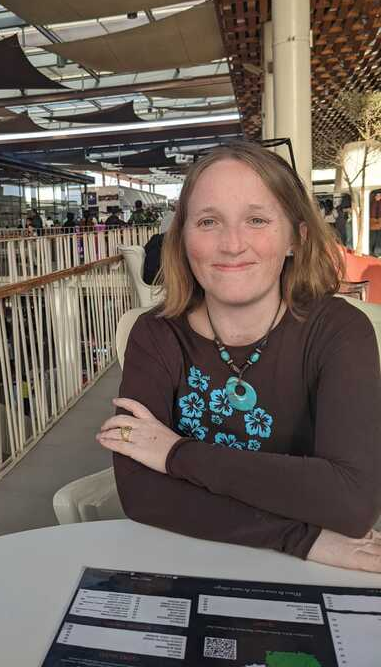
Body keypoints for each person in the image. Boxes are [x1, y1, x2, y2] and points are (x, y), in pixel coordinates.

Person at [97, 142, 381, 573]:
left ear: (295, 238)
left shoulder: (338, 330)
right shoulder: (155, 335)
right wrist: (299, 534)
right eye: (209, 221)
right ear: (183, 237)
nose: (232, 244)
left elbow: (350, 501)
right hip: (185, 559)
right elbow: (141, 494)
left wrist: (176, 454)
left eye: (257, 220)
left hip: (304, 573)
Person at [370, 191, 381, 256]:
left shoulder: (373, 201)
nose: (378, 196)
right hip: (373, 222)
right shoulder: (373, 202)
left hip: (375, 222)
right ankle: (375, 252)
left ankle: (376, 252)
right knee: (374, 238)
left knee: (377, 238)